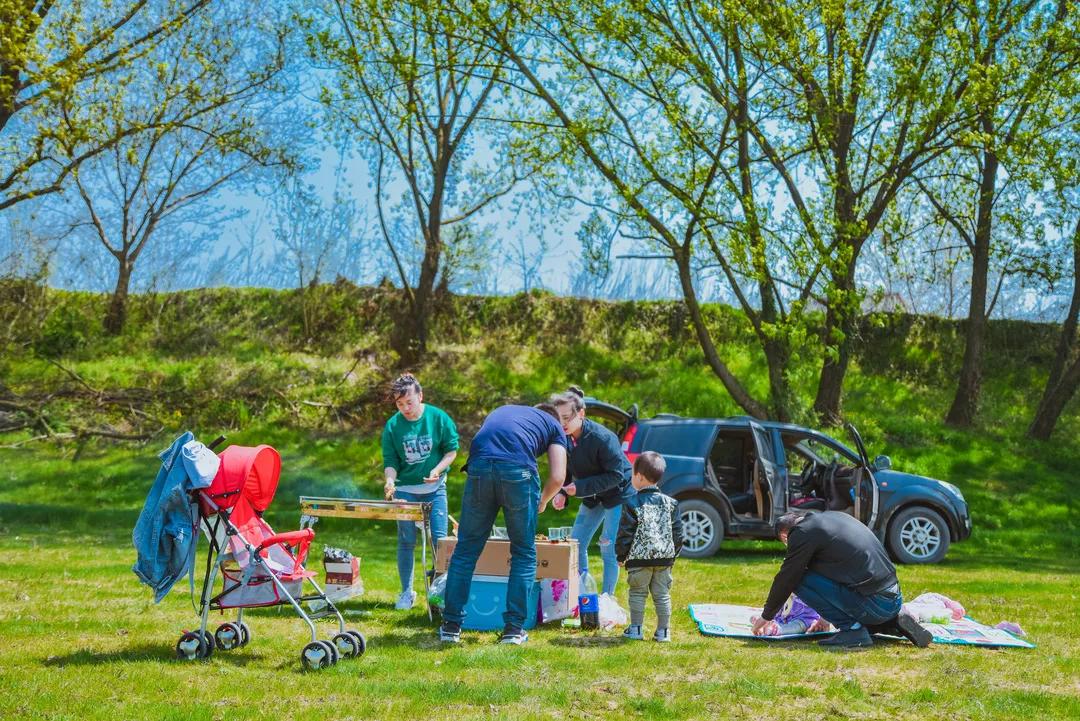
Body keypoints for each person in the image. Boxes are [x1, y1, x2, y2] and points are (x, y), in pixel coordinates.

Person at [439, 403, 568, 645]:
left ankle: (451, 626)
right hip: (517, 472)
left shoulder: (505, 411)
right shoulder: (554, 425)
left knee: (466, 549)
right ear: (555, 419)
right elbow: (559, 476)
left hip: (479, 466)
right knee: (523, 552)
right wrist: (543, 500)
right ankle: (513, 630)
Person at [751, 511, 932, 648]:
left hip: (874, 603)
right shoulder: (832, 518)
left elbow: (787, 577)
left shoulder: (801, 533)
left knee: (798, 579)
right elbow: (837, 574)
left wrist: (766, 616)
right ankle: (892, 622)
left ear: (785, 536)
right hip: (892, 599)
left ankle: (852, 630)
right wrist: (824, 618)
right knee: (809, 574)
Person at [380, 373, 459, 610]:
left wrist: (437, 470)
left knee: (439, 540)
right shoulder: (393, 426)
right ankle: (406, 592)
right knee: (406, 541)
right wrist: (390, 481)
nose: (405, 408)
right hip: (405, 489)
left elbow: (451, 451)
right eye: (399, 403)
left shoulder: (438, 418)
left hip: (435, 488)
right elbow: (391, 461)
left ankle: (439, 592)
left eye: (409, 402)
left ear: (420, 396)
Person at [550, 386, 633, 596]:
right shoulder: (562, 437)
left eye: (567, 417)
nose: (563, 423)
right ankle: (583, 595)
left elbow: (616, 475)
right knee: (576, 545)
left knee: (608, 548)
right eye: (559, 418)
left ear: (581, 413)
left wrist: (579, 488)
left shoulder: (603, 438)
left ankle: (607, 599)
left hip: (618, 493)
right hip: (591, 495)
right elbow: (566, 467)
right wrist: (561, 492)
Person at [615, 451, 682, 642]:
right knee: (662, 594)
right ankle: (664, 632)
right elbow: (677, 533)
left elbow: (625, 533)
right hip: (664, 558)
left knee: (637, 592)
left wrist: (621, 556)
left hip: (639, 558)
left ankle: (636, 629)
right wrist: (673, 554)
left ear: (640, 477)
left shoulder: (631, 503)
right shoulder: (671, 503)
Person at [750, 594, 833, 636]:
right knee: (755, 617)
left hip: (804, 618)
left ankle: (777, 629)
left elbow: (818, 602)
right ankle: (764, 623)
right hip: (784, 615)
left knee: (797, 626)